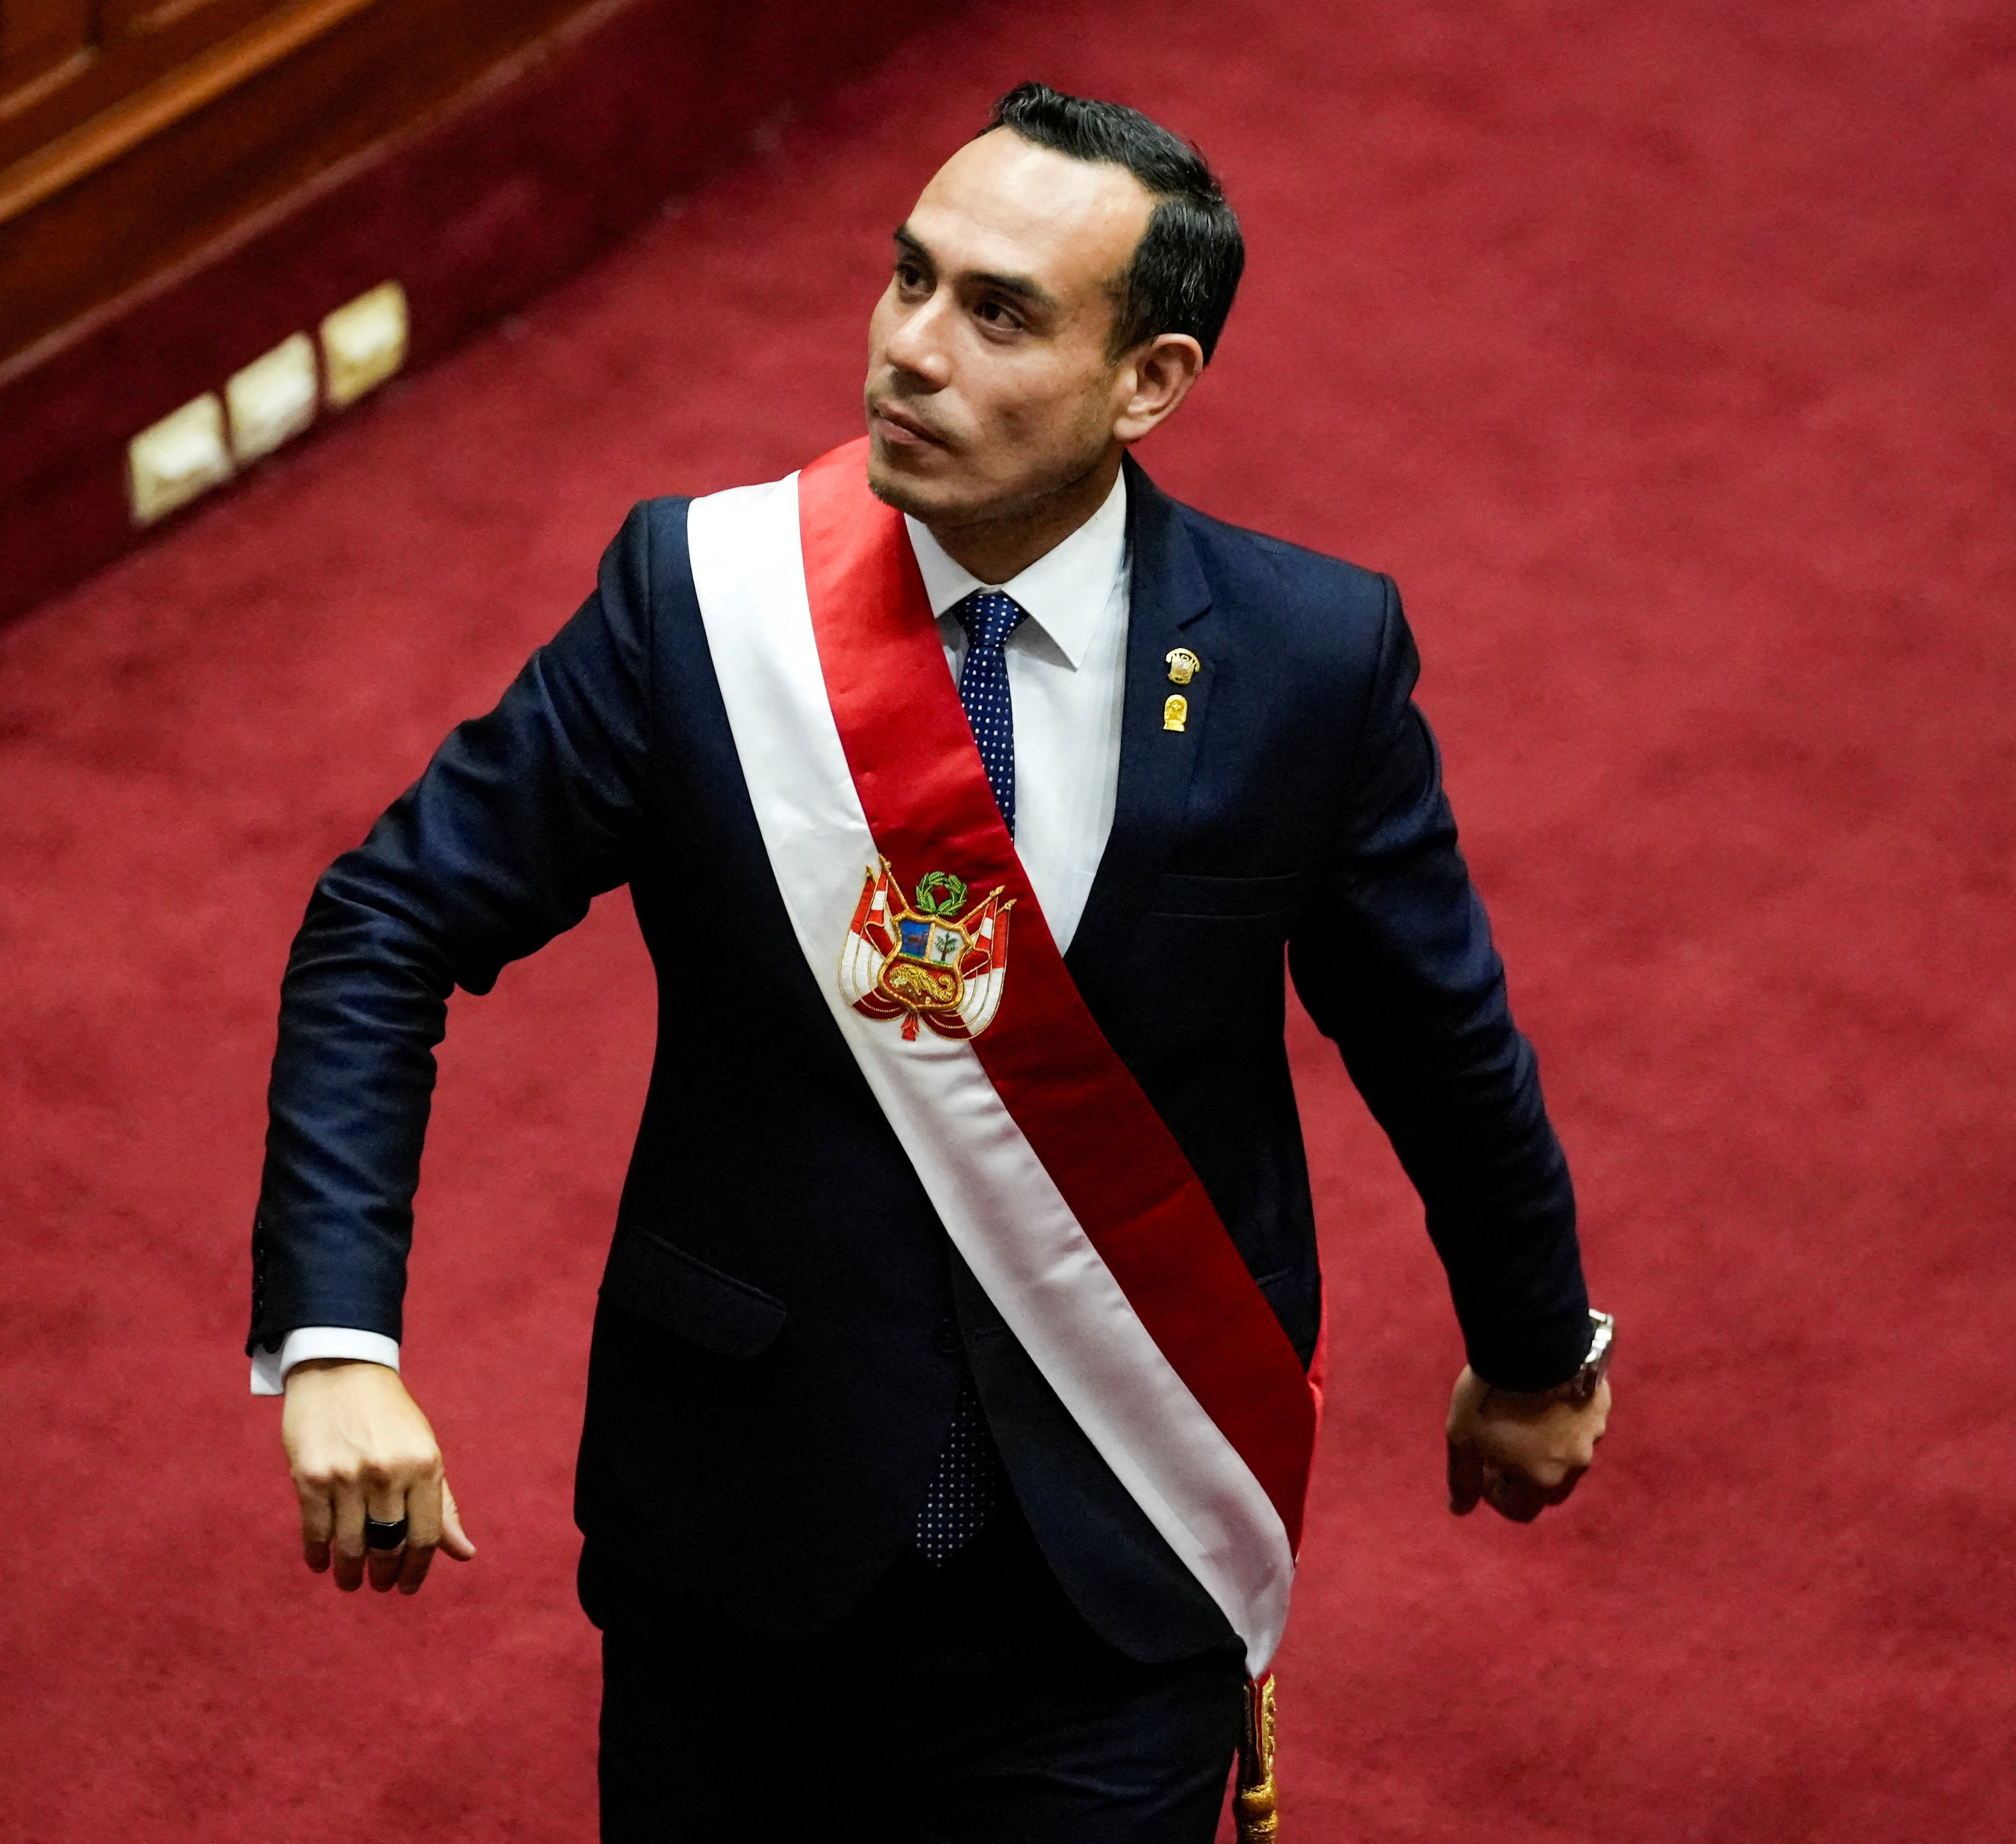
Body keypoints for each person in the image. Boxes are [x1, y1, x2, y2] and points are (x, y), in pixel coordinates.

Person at [249, 82, 1615, 1840]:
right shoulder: (704, 603)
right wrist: (338, 1335)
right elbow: (388, 921)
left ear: (1151, 382)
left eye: (1000, 313)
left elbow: (1439, 1038)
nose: (909, 347)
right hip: (743, 1544)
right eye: (910, 277)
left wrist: (1534, 1349)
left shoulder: (1306, 659)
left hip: (1119, 1565)